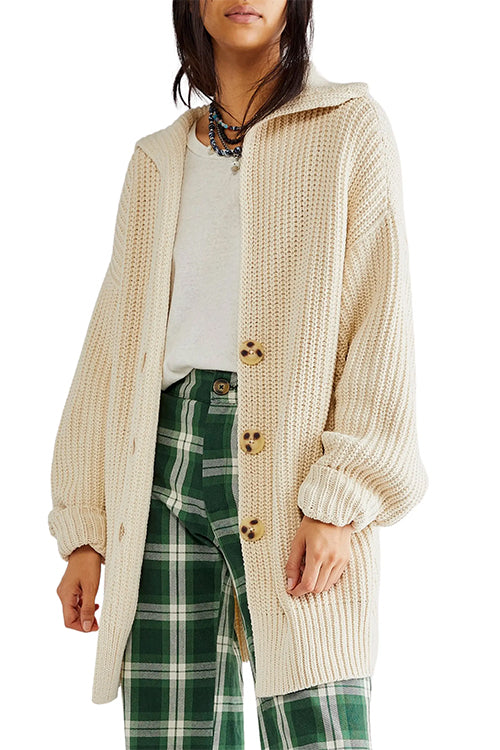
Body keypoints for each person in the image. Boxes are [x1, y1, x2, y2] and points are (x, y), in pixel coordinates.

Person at [48, 1, 429, 748]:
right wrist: (85, 527)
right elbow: (115, 343)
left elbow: (379, 319)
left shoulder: (349, 129)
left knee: (318, 722)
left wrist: (341, 497)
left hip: (293, 464)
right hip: (160, 463)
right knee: (171, 732)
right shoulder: (157, 160)